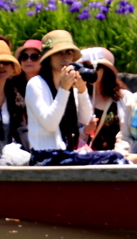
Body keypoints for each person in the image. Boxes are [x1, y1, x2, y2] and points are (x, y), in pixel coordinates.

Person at [24, 30, 127, 166]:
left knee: (117, 158)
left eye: (68, 52)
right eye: (59, 52)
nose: (65, 57)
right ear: (48, 57)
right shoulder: (36, 84)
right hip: (44, 157)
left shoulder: (70, 84)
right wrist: (63, 90)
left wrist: (82, 91)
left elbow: (85, 119)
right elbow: (50, 124)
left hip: (68, 153)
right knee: (114, 159)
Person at [79, 47, 133, 153]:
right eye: (86, 67)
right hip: (88, 160)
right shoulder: (79, 97)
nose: (90, 72)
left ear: (106, 70)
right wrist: (84, 131)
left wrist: (119, 153)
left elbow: (132, 133)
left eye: (95, 67)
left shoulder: (124, 97)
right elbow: (68, 134)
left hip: (117, 158)